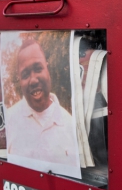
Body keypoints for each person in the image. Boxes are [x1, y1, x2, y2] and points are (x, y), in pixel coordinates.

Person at [5, 39, 80, 169]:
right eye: (25, 74)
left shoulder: (70, 125)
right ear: (20, 81)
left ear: (48, 70)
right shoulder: (8, 121)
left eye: (38, 69)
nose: (33, 80)